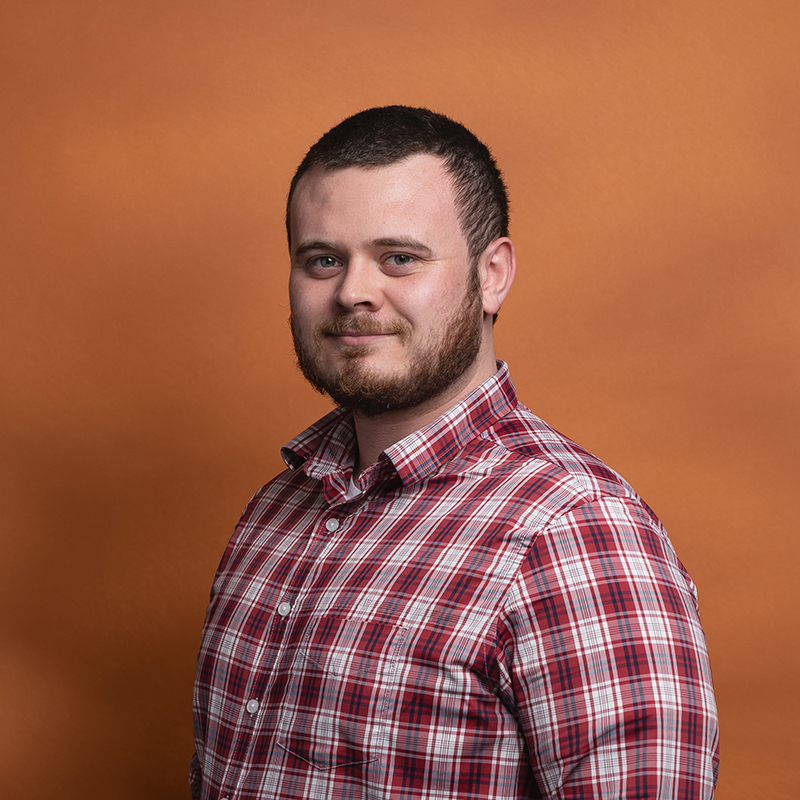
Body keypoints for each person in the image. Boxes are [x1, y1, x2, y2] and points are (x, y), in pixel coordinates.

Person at [191, 106, 719, 800]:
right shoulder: (274, 513)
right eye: (322, 260)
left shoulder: (577, 535)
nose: (353, 292)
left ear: (492, 274)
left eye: (398, 258)